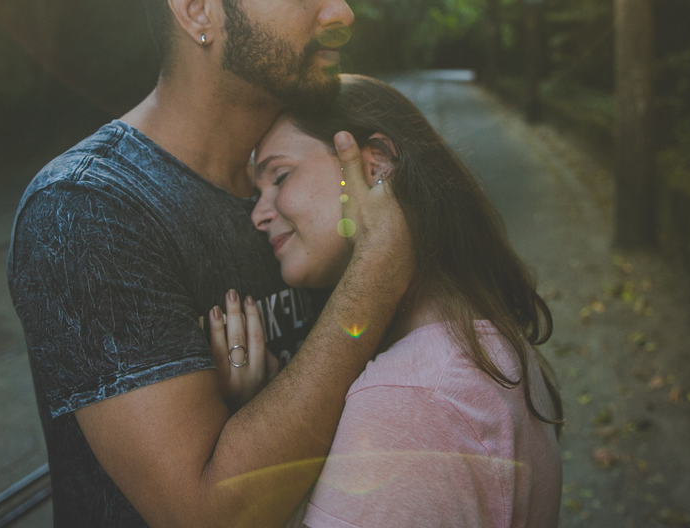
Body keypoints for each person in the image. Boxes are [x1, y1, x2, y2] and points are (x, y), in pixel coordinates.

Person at [7, 0, 412, 528]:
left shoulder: (307, 173)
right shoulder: (90, 208)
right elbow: (205, 513)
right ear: (199, 10)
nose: (341, 10)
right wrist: (375, 279)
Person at [212, 74, 563, 528]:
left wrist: (245, 426)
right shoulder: (487, 339)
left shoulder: (411, 401)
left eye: (280, 176)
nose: (258, 214)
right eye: (257, 194)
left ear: (374, 165)